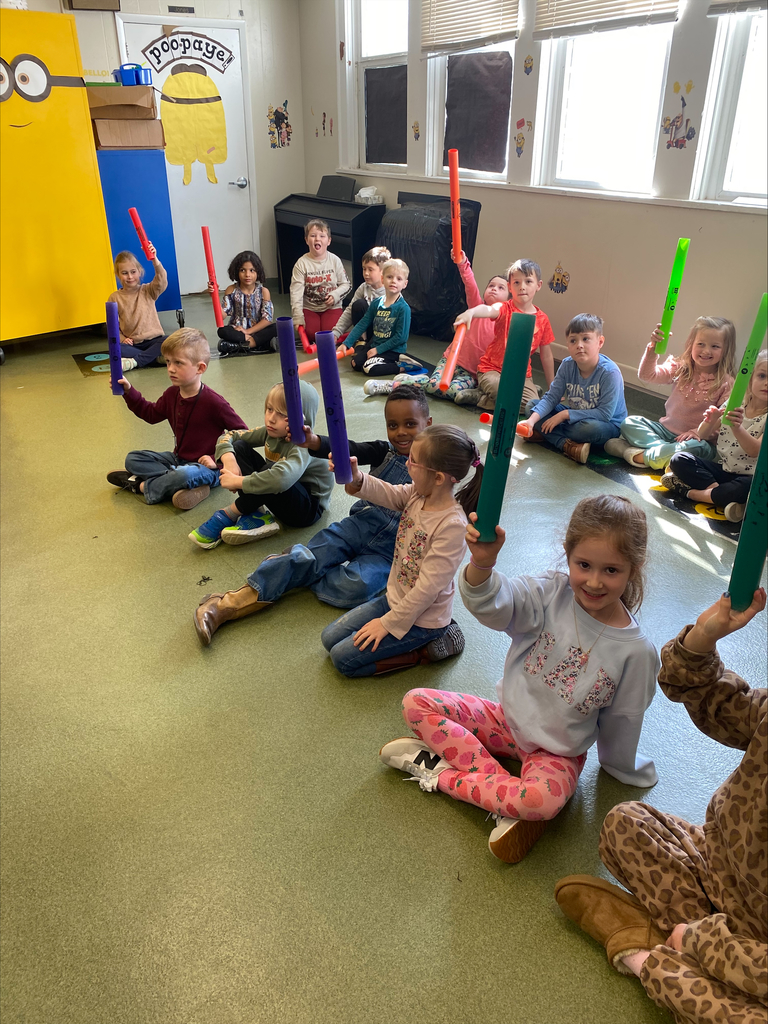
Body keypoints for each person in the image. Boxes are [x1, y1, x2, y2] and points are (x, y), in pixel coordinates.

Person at [380, 494, 658, 864]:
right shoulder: (550, 592)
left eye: (611, 570)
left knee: (541, 801)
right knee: (415, 702)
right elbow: (495, 602)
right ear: (568, 554)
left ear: (634, 568)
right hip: (505, 720)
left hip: (556, 753)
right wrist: (483, 565)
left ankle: (442, 776)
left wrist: (621, 766)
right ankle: (503, 798)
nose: (594, 581)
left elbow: (624, 720)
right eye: (584, 565)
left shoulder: (637, 653)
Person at [554, 588, 767, 1024]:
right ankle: (694, 964)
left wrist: (699, 941)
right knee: (625, 824)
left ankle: (643, 954)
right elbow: (707, 695)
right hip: (718, 870)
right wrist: (703, 639)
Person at [193, 385, 432, 645]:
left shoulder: (438, 468)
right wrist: (314, 441)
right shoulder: (383, 451)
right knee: (313, 558)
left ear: (428, 423)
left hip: (393, 549)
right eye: (392, 425)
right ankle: (224, 605)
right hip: (359, 526)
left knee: (356, 586)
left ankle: (294, 563)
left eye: (410, 424)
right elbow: (347, 447)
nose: (400, 432)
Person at [320, 424, 480, 677]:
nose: (407, 464)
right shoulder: (419, 493)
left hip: (423, 619)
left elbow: (426, 590)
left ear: (439, 478)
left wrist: (387, 624)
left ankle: (424, 651)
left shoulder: (452, 527)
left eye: (414, 461)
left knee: (343, 660)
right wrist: (357, 478)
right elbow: (389, 493)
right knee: (328, 638)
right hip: (395, 599)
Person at [106, 328, 247, 509]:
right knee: (133, 458)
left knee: (185, 475)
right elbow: (150, 414)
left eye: (178, 363)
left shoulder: (215, 402)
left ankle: (141, 486)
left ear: (200, 368)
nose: (171, 369)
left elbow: (243, 434)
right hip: (177, 460)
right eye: (168, 362)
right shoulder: (171, 394)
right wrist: (129, 391)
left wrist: (216, 459)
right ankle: (180, 485)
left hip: (209, 469)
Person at [188, 380, 332, 548]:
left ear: (303, 420)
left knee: (273, 472)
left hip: (306, 510)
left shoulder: (304, 446)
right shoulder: (270, 432)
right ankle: (256, 513)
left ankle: (230, 512)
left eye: (282, 414)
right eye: (270, 409)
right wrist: (229, 461)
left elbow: (280, 479)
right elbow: (230, 436)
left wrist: (238, 481)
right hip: (279, 489)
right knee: (239, 447)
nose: (271, 419)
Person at [370, 251, 509, 401]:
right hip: (450, 360)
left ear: (509, 299)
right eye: (491, 285)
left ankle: (475, 394)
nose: (494, 288)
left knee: (454, 392)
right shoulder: (476, 306)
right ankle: (395, 385)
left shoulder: (505, 322)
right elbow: (470, 283)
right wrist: (463, 263)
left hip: (471, 373)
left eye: (501, 288)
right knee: (434, 386)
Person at [605, 317, 736, 469]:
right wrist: (653, 348)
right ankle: (666, 456)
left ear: (726, 350)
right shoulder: (680, 368)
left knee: (699, 448)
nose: (706, 351)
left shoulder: (726, 383)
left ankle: (633, 454)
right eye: (701, 344)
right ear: (691, 344)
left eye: (715, 346)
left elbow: (722, 424)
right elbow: (647, 375)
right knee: (629, 422)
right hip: (664, 432)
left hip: (697, 440)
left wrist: (698, 432)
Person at [663, 350, 766, 523]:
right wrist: (710, 421)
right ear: (750, 379)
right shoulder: (736, 403)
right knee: (679, 459)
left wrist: (737, 428)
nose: (767, 383)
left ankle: (692, 493)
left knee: (745, 488)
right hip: (725, 470)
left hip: (749, 478)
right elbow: (702, 434)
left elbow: (755, 450)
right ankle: (720, 496)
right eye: (762, 376)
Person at [517, 313, 627, 464]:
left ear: (600, 342)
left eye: (586, 339)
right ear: (568, 345)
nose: (579, 345)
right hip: (576, 418)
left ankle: (547, 434)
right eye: (573, 340)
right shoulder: (567, 365)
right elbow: (551, 397)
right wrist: (530, 421)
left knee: (587, 429)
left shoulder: (609, 372)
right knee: (532, 407)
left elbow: (605, 414)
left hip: (605, 425)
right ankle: (566, 445)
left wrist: (564, 415)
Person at [452, 258, 555, 412]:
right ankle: (483, 396)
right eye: (516, 282)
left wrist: (553, 387)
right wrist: (471, 312)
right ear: (510, 287)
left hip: (521, 375)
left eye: (528, 281)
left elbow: (546, 356)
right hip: (492, 370)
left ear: (538, 285)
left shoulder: (542, 319)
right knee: (505, 392)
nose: (522, 287)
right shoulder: (504, 307)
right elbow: (488, 310)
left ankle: (484, 398)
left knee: (531, 408)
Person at [341, 258, 412, 378]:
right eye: (389, 277)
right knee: (355, 363)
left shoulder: (403, 308)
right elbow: (362, 324)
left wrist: (378, 350)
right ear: (382, 279)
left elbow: (401, 337)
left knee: (368, 368)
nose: (393, 281)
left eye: (399, 279)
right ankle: (377, 358)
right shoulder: (376, 303)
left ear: (405, 284)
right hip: (375, 344)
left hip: (392, 350)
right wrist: (347, 343)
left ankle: (402, 366)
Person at [290, 219, 351, 344]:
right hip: (310, 308)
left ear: (329, 241)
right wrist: (298, 317)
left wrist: (335, 295)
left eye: (322, 236)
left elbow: (346, 285)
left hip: (332, 307)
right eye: (313, 236)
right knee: (312, 334)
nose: (317, 239)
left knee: (329, 333)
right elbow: (296, 294)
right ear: (306, 240)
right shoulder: (301, 264)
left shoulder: (335, 260)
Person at [109, 247, 168, 372]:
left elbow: (161, 280)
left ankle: (135, 361)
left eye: (133, 272)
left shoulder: (148, 290)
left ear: (139, 272)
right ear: (118, 275)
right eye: (124, 273)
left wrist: (154, 259)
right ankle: (155, 359)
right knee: (118, 349)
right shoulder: (114, 297)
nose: (130, 276)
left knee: (168, 341)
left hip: (155, 340)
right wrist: (122, 339)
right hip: (133, 344)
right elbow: (112, 326)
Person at [208, 249, 277, 356]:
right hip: (237, 331)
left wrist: (248, 332)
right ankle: (260, 344)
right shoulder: (231, 290)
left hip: (257, 330)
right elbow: (221, 316)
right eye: (242, 270)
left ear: (258, 272)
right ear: (236, 271)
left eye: (252, 270)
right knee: (222, 331)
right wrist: (214, 296)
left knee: (278, 327)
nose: (247, 274)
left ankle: (241, 345)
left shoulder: (264, 292)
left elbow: (267, 320)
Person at [332, 246, 390, 344]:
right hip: (368, 329)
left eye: (370, 270)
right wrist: (336, 332)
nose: (366, 273)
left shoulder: (390, 291)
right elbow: (349, 311)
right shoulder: (364, 287)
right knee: (358, 305)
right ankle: (362, 340)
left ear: (383, 271)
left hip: (383, 333)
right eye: (364, 269)